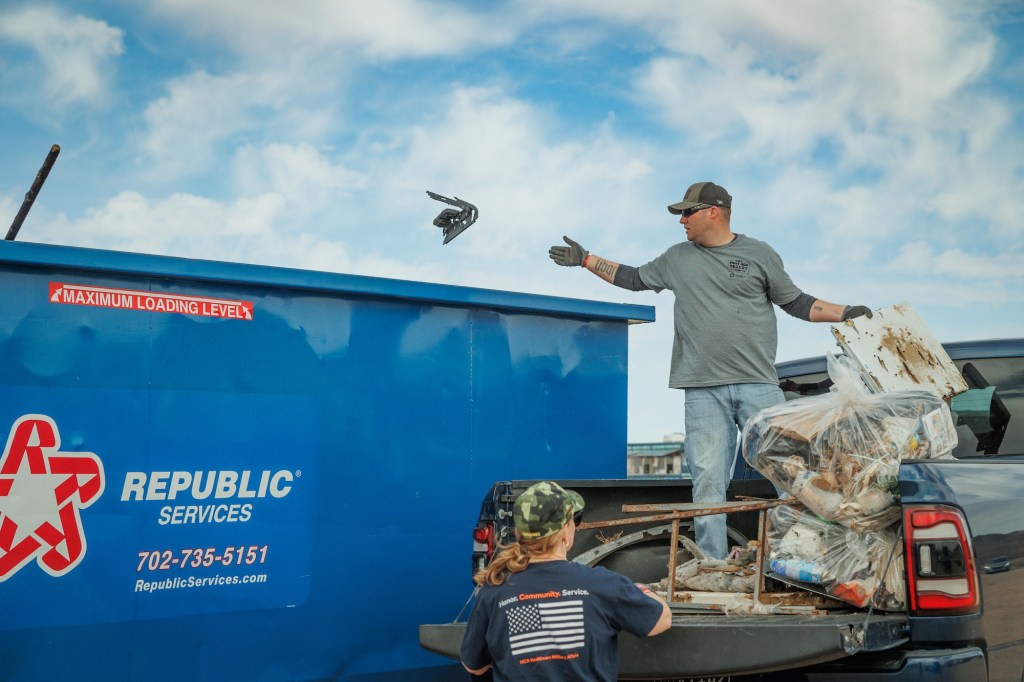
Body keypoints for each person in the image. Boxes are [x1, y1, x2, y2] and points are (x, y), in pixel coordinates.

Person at [548, 181, 872, 560]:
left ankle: (806, 558)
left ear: (713, 212)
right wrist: (586, 259)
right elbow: (633, 278)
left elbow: (797, 302)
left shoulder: (759, 254)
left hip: (758, 386)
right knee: (707, 485)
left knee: (789, 475)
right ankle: (713, 566)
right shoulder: (677, 258)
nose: (681, 220)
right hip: (701, 389)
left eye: (688, 212)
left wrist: (846, 312)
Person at [460, 481, 671, 680]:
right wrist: (641, 588)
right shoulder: (603, 584)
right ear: (564, 533)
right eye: (575, 520)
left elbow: (474, 667)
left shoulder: (495, 590)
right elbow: (661, 619)